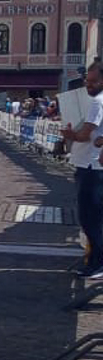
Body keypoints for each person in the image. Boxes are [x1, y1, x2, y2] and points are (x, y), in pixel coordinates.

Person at [63, 60, 103, 278]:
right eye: (87, 81)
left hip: (91, 166)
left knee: (90, 218)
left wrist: (71, 136)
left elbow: (87, 133)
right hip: (93, 164)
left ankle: (97, 262)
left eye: (93, 81)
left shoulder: (98, 102)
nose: (89, 85)